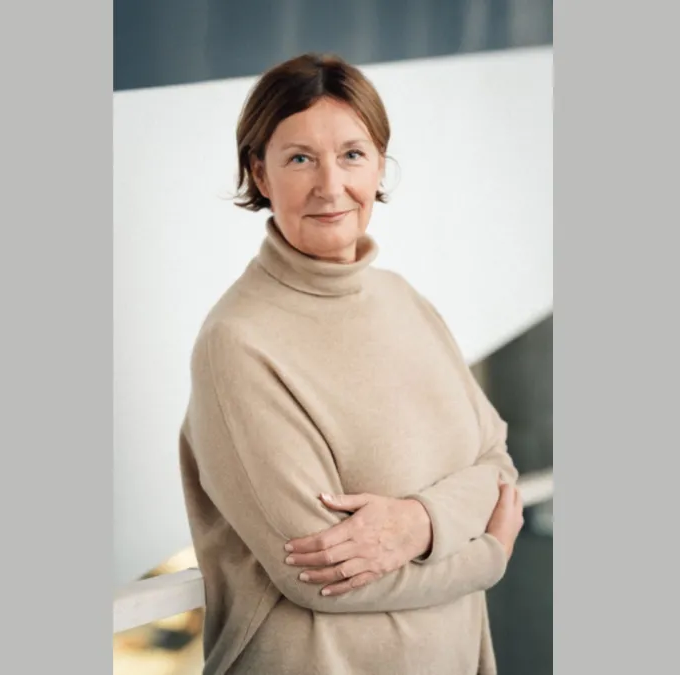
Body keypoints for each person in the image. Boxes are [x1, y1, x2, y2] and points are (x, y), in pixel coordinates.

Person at [178, 52, 524, 675]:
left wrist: (418, 521)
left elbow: (497, 466)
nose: (330, 186)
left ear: (379, 165)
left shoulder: (404, 299)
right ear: (260, 173)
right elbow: (321, 578)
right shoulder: (238, 343)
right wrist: (486, 554)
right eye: (300, 158)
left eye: (353, 154)